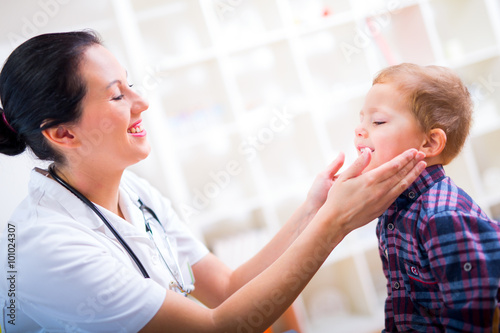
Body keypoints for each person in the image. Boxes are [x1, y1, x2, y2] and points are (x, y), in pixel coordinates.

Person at [0, 30, 426, 333]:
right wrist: (334, 224)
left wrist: (315, 208)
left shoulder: (134, 193)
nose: (142, 101)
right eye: (117, 95)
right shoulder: (45, 248)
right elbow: (219, 326)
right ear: (63, 134)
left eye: (131, 85)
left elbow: (226, 289)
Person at [354, 62, 500, 332]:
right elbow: (399, 299)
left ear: (430, 143)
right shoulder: (391, 210)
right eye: (362, 119)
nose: (360, 130)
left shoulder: (443, 216)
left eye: (377, 121)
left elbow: (473, 311)